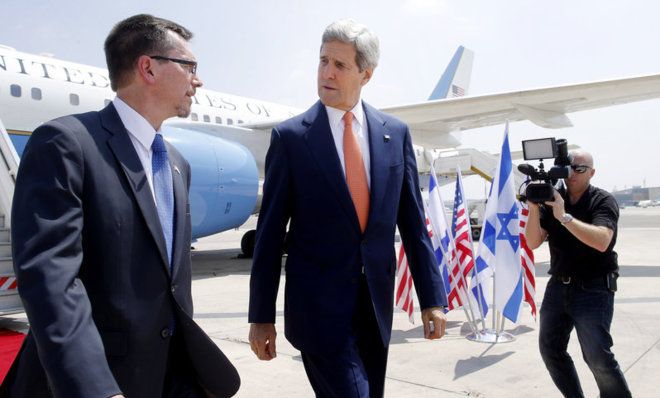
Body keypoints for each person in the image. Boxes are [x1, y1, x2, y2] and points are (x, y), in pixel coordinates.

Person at [0, 14, 239, 398]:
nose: (198, 79)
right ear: (148, 67)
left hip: (169, 376)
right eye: (190, 66)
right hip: (101, 378)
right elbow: (52, 283)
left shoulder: (176, 163)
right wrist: (95, 388)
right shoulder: (66, 144)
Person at [248, 19, 447, 397]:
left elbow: (413, 225)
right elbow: (270, 236)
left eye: (339, 65)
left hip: (375, 308)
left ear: (365, 74)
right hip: (318, 313)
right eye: (323, 61)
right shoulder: (291, 138)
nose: (327, 72)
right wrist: (261, 317)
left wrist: (432, 299)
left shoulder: (395, 133)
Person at [526, 149, 632, 398]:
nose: (572, 173)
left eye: (579, 168)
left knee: (597, 356)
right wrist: (533, 208)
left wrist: (563, 216)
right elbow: (532, 242)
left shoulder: (602, 200)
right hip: (558, 286)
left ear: (592, 173)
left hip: (593, 288)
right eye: (567, 167)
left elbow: (602, 241)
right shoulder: (553, 197)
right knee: (550, 350)